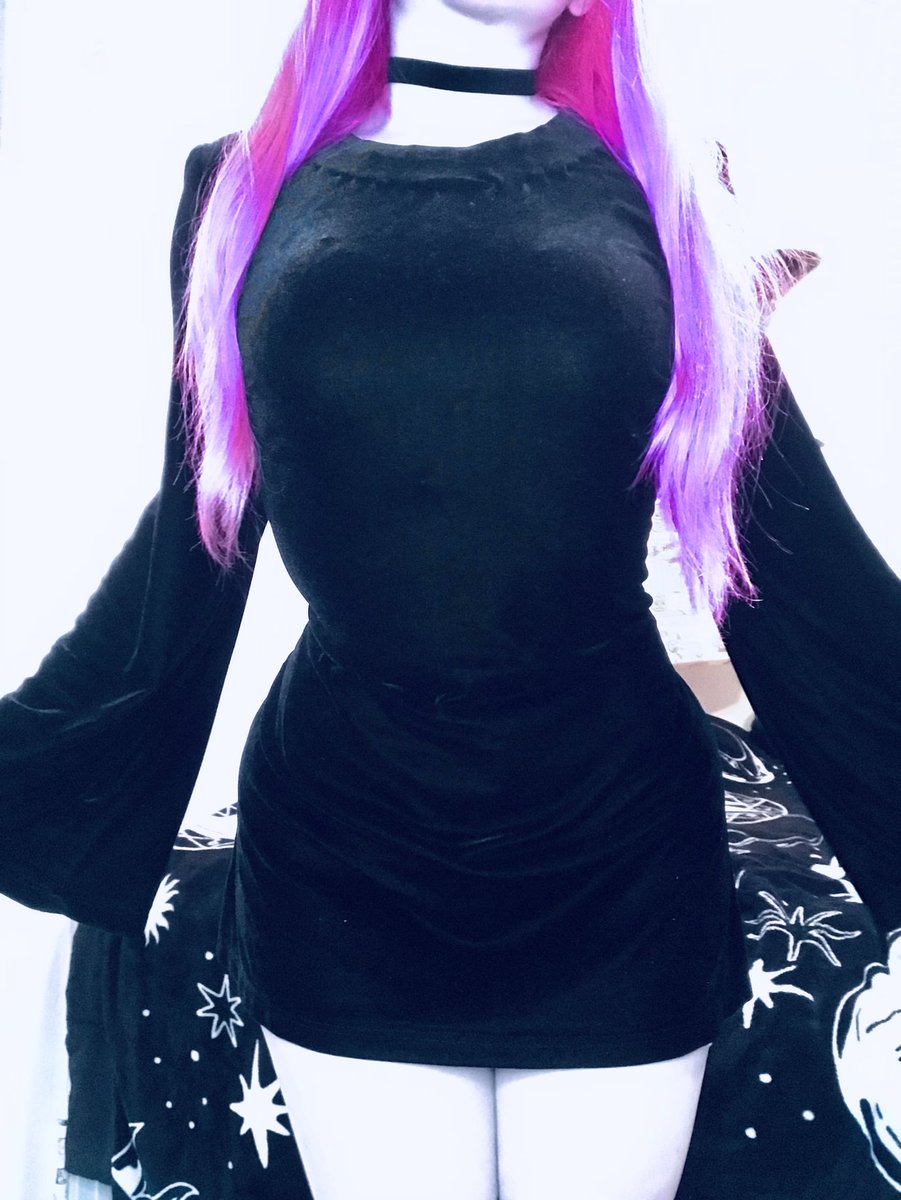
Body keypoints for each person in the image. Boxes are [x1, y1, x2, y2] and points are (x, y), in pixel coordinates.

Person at [1, 0, 899, 1198]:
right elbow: (187, 557)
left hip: (616, 853)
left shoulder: (673, 190)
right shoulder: (240, 191)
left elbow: (790, 563)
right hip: (344, 858)